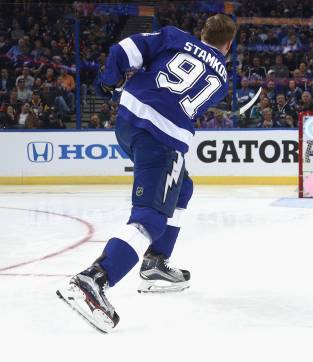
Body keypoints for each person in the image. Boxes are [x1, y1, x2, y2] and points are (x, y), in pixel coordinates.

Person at [56, 15, 237, 333]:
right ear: (229, 44)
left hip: (129, 123)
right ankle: (94, 279)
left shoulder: (174, 36)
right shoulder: (221, 76)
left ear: (202, 33)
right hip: (162, 140)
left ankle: (155, 264)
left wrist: (109, 83)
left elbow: (123, 51)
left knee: (182, 188)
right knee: (150, 218)